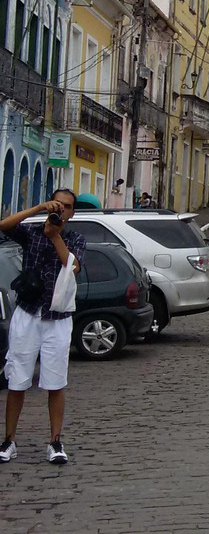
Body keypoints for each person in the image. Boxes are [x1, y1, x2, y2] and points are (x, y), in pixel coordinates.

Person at [0, 189, 86, 465]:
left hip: (57, 318)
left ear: (72, 213)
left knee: (55, 381)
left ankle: (55, 441)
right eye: (58, 204)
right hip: (27, 314)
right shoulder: (32, 233)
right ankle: (9, 440)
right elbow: (4, 226)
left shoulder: (75, 238)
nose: (61, 210)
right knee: (17, 380)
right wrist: (38, 208)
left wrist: (56, 234)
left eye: (67, 207)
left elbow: (71, 266)